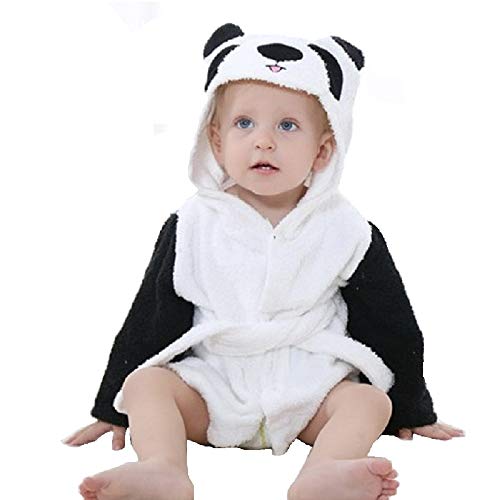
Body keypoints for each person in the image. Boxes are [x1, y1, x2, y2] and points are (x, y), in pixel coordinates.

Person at [62, 23, 465, 500]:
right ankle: (162, 467)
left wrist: (411, 406)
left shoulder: (346, 229)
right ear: (215, 141)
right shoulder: (193, 223)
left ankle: (324, 471)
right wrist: (112, 404)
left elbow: (390, 320)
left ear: (323, 150)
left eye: (287, 126)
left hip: (310, 388)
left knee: (368, 401)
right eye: (244, 124)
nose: (264, 141)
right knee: (145, 384)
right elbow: (151, 315)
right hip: (213, 385)